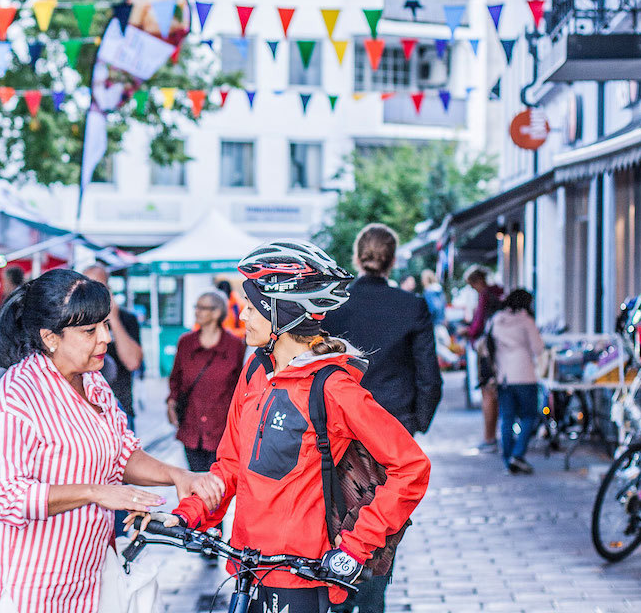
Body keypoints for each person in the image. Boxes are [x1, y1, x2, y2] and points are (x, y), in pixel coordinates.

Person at [142, 239, 431, 613]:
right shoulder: (255, 371)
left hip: (302, 576)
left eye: (252, 307)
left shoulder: (333, 387)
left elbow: (411, 467)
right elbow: (231, 465)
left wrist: (356, 546)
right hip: (246, 567)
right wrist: (187, 514)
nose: (242, 316)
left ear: (282, 313)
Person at [0, 269, 221, 613]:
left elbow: (121, 454)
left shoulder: (93, 383)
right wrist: (95, 492)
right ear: (50, 338)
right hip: (21, 584)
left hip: (83, 576)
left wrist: (178, 476)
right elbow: (5, 496)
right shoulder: (15, 399)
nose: (105, 338)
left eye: (105, 325)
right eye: (90, 331)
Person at [319, 225, 441, 613]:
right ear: (392, 260)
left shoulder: (335, 304)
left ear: (358, 257)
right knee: (381, 521)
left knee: (333, 519)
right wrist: (416, 422)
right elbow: (429, 374)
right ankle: (371, 600)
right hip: (391, 433)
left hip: (337, 431)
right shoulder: (411, 306)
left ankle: (337, 596)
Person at [167, 289, 246, 472]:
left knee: (218, 482)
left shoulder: (235, 345)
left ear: (217, 312)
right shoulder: (186, 342)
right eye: (196, 307)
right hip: (191, 428)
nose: (197, 311)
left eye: (202, 308)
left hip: (222, 430)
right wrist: (171, 404)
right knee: (196, 479)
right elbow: (175, 379)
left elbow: (240, 386)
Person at [489, 289, 545, 475]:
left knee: (507, 418)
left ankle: (508, 459)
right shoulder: (525, 321)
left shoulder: (496, 320)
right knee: (529, 416)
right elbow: (538, 348)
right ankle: (518, 454)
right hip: (524, 375)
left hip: (503, 376)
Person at [82, 263, 143, 430]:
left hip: (119, 407)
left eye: (98, 287)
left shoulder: (126, 319)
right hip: (85, 410)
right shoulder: (76, 321)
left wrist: (113, 319)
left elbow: (133, 362)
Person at [464, 265, 504, 453]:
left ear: (477, 281)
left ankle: (489, 438)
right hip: (501, 350)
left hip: (487, 350)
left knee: (487, 392)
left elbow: (478, 324)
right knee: (494, 392)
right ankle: (493, 437)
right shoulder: (499, 292)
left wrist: (468, 332)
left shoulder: (485, 295)